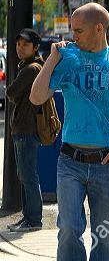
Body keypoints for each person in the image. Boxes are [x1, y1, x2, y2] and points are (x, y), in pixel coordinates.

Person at [30, 3, 109, 261]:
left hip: (107, 162)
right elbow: (37, 98)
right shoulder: (68, 58)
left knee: (105, 235)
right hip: (70, 161)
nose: (73, 36)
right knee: (69, 229)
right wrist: (51, 59)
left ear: (99, 28)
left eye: (78, 30)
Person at [5, 28, 44, 232]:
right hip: (25, 127)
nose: (20, 48)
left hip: (27, 127)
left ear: (35, 47)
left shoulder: (31, 69)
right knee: (25, 174)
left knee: (28, 175)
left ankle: (33, 220)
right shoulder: (31, 67)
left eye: (25, 45)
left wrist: (15, 93)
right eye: (19, 44)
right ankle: (28, 217)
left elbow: (11, 92)